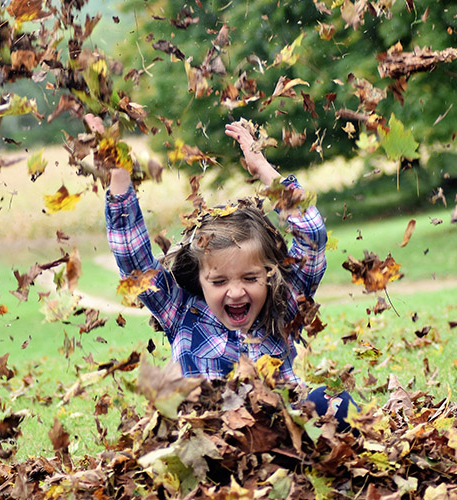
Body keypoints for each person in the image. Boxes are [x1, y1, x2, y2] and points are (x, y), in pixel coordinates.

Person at [105, 121, 357, 431]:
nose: (236, 292)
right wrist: (118, 173)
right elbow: (136, 264)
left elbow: (312, 237)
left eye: (250, 278)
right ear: (199, 279)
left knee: (334, 400)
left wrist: (262, 167)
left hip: (283, 440)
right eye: (220, 281)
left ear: (269, 273)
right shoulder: (182, 314)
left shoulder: (284, 303)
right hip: (214, 447)